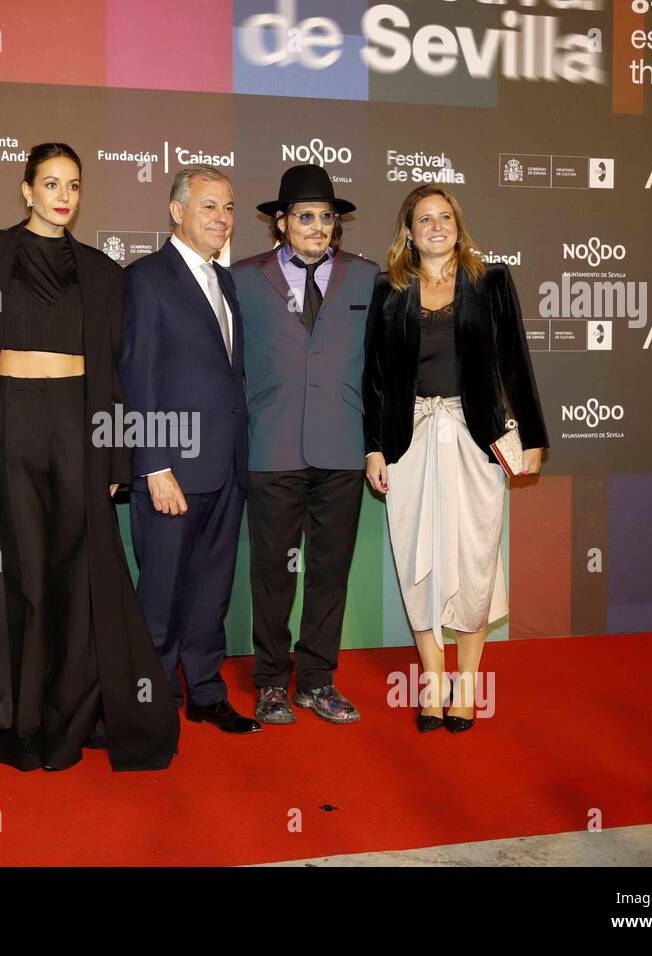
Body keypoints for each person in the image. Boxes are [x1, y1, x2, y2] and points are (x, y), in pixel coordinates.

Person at [0, 143, 179, 771]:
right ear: (26, 189)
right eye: (50, 183)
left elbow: (112, 373)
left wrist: (116, 460)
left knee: (76, 575)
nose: (63, 195)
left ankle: (71, 710)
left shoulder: (101, 272)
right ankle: (17, 717)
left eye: (74, 185)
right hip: (11, 428)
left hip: (80, 430)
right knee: (21, 572)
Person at [363, 185, 547, 734]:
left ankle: (466, 688)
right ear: (409, 232)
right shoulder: (389, 289)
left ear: (457, 225)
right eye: (425, 219)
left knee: (472, 559)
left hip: (475, 439)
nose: (436, 226)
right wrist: (373, 446)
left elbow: (516, 360)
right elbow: (372, 377)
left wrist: (534, 437)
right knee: (416, 558)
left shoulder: (490, 283)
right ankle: (432, 684)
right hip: (408, 441)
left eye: (445, 216)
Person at [231, 164, 379, 726]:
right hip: (270, 446)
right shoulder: (243, 278)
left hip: (342, 445)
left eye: (327, 217)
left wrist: (376, 443)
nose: (318, 227)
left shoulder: (368, 279)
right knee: (272, 570)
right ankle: (270, 681)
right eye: (306, 216)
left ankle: (317, 680)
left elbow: (381, 369)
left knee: (329, 569)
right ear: (281, 222)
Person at [121, 165, 259, 735]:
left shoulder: (224, 282)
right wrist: (154, 465)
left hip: (225, 468)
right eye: (208, 207)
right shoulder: (146, 279)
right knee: (159, 596)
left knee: (210, 592)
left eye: (228, 208)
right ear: (177, 212)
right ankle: (149, 706)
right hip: (171, 471)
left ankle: (204, 691)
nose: (222, 219)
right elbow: (137, 378)